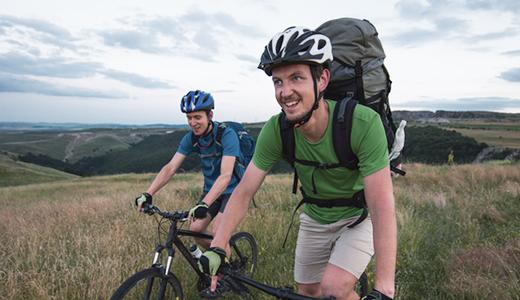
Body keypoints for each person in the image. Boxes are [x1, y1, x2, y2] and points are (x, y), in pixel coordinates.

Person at [198, 27, 397, 300]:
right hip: (316, 216)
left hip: (357, 216)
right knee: (308, 292)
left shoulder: (362, 124)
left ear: (323, 79)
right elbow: (244, 191)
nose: (285, 91)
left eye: (296, 78)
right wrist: (219, 245)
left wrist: (384, 287)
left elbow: (381, 205)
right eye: (278, 82)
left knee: (334, 289)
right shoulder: (276, 129)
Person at [135, 90, 242, 250]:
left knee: (218, 232)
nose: (193, 123)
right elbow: (170, 168)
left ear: (210, 115)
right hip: (211, 191)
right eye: (189, 118)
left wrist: (205, 204)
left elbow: (225, 175)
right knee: (196, 230)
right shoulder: (191, 138)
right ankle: (221, 254)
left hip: (232, 190)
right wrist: (148, 193)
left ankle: (223, 272)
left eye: (197, 117)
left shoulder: (226, 135)